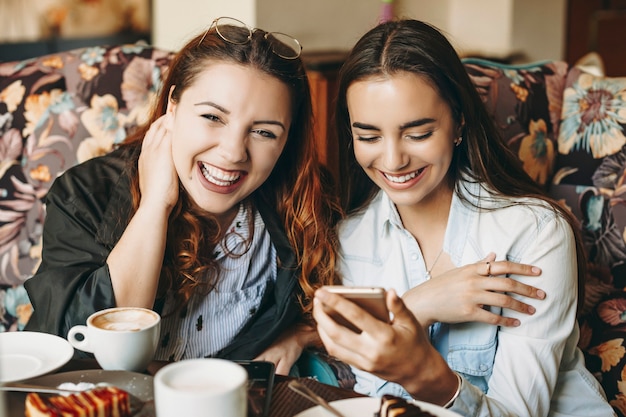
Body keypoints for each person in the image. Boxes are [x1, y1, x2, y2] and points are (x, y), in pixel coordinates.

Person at [313, 18, 615, 416]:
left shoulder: (533, 233)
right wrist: (419, 306)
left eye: (418, 133)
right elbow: (379, 400)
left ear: (458, 121)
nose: (392, 160)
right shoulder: (350, 238)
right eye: (368, 136)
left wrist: (425, 374)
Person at [24, 17, 341, 374]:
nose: (234, 152)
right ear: (172, 106)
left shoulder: (300, 201)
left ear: (287, 141)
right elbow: (83, 349)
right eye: (212, 116)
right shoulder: (84, 194)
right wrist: (155, 205)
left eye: (264, 132)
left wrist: (300, 335)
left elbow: (359, 297)